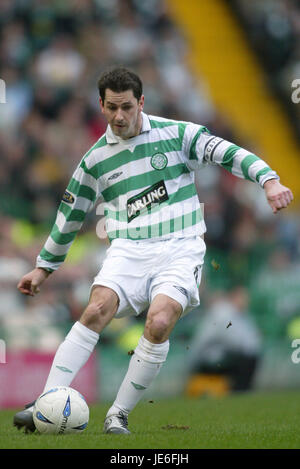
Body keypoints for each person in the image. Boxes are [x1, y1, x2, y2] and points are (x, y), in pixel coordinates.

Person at [13, 67, 293, 434]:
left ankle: (118, 414)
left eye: (127, 106)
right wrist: (43, 268)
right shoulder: (94, 160)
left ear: (141, 102)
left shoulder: (177, 134)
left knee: (160, 322)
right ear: (101, 105)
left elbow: (229, 153)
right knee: (96, 307)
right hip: (128, 248)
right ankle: (47, 401)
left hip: (180, 247)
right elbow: (70, 216)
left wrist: (269, 180)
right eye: (112, 108)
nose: (120, 116)